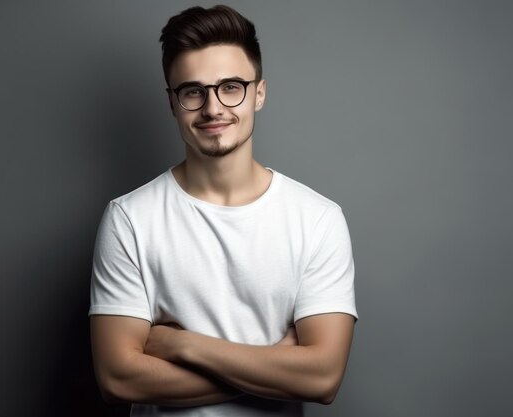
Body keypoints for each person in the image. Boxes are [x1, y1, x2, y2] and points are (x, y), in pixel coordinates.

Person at [89, 5, 357, 416]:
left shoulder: (317, 219)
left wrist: (183, 345)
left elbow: (322, 378)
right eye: (193, 91)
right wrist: (275, 369)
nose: (213, 108)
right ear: (172, 103)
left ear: (259, 93)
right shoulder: (129, 219)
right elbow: (118, 378)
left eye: (231, 86)